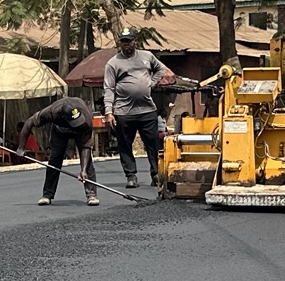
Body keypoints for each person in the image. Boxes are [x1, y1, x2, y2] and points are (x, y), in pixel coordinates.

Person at [102, 29, 175, 190]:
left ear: (135, 41)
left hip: (147, 110)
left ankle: (156, 174)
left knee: (152, 143)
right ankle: (131, 176)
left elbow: (161, 69)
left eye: (129, 40)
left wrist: (152, 83)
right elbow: (108, 89)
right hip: (123, 111)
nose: (126, 44)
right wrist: (109, 112)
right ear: (120, 43)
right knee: (125, 145)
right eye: (123, 41)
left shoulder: (147, 56)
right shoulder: (113, 63)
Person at [19, 89, 99, 205]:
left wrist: (83, 170)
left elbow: (86, 147)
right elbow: (28, 123)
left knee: (87, 163)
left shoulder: (86, 118)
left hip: (81, 131)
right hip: (60, 131)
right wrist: (21, 147)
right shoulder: (52, 112)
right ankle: (47, 194)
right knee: (55, 159)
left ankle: (91, 195)